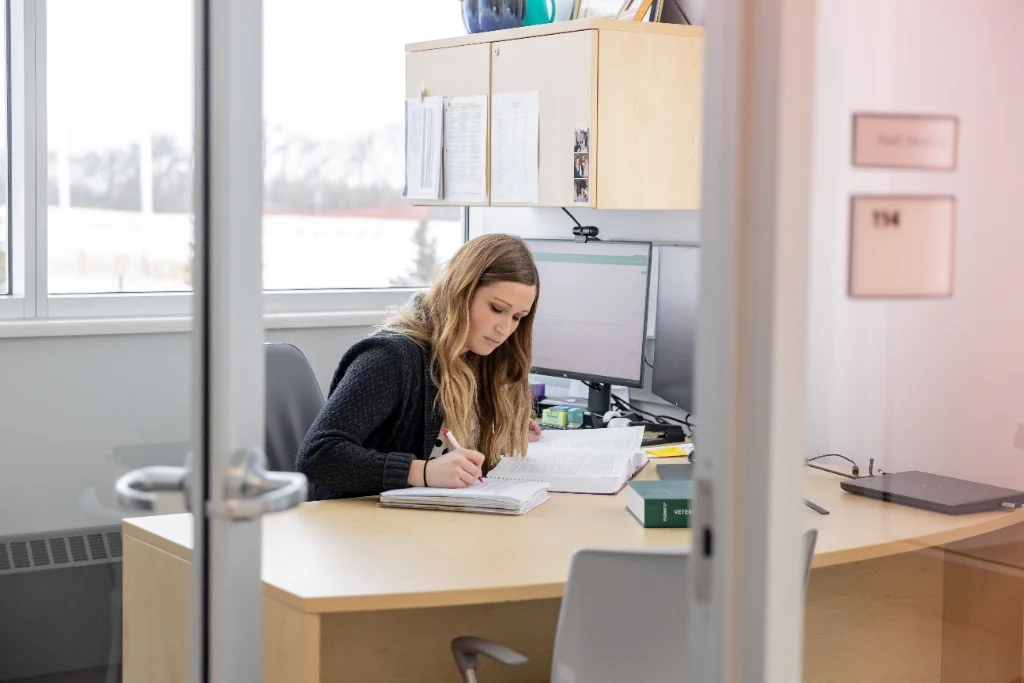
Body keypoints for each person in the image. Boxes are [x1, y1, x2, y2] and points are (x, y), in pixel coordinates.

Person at [296, 234, 543, 500]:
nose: (505, 329)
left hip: (424, 522)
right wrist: (422, 472)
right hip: (359, 525)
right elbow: (317, 455)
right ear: (461, 290)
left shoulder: (477, 355)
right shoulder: (390, 357)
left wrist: (496, 424)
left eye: (518, 317)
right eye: (496, 308)